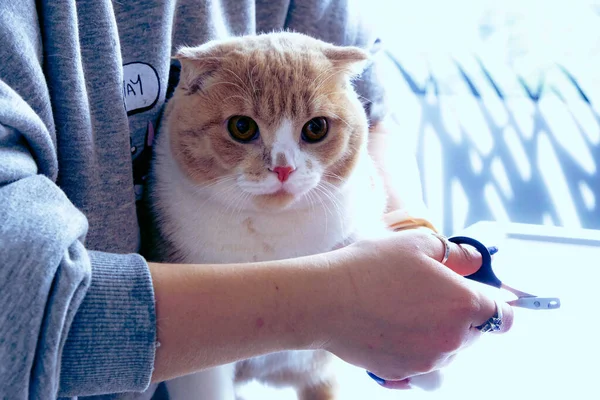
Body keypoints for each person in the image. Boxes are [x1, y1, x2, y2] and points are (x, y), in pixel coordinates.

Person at [0, 1, 514, 399]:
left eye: (314, 129)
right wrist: (338, 299)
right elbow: (16, 307)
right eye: (243, 127)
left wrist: (410, 244)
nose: (283, 169)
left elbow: (371, 105)